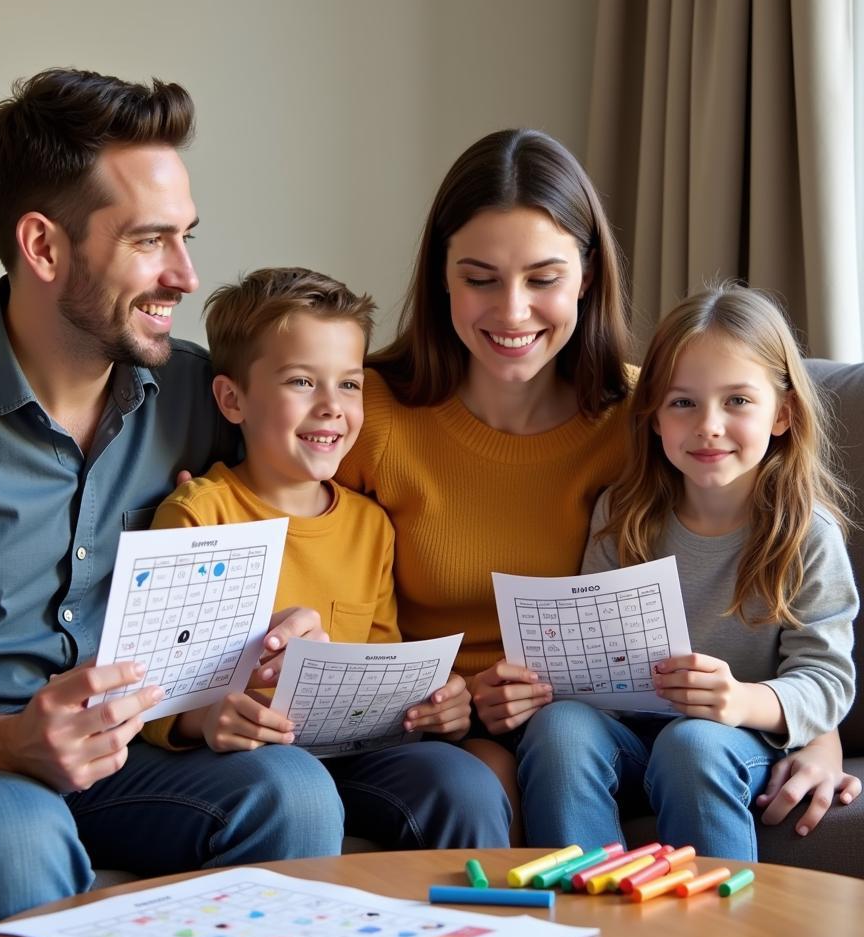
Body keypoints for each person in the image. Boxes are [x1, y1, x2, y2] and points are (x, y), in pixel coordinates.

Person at [0, 69, 345, 937]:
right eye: (151, 241)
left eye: (186, 238)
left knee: (293, 792)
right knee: (16, 829)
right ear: (42, 244)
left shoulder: (201, 393)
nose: (186, 278)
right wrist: (6, 746)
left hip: (131, 758)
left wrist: (283, 633)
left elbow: (320, 464)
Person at [335, 127, 861, 843]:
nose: (513, 312)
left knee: (618, 741)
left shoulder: (648, 419)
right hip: (450, 724)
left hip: (598, 717)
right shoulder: (363, 415)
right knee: (501, 770)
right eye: (479, 277)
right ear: (441, 278)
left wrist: (812, 732)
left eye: (543, 279)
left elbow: (811, 658)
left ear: (586, 276)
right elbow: (284, 519)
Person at [144, 267, 511, 849]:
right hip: (247, 759)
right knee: (293, 783)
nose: (331, 407)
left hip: (353, 752)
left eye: (348, 384)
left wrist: (436, 706)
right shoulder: (196, 515)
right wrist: (204, 719)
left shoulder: (370, 526)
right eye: (300, 382)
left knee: (462, 780)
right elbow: (152, 691)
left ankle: (473, 934)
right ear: (232, 399)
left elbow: (387, 669)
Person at [516, 283, 858, 858]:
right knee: (560, 730)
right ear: (652, 419)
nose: (708, 425)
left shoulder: (807, 533)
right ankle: (582, 920)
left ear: (783, 414)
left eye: (738, 401)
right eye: (683, 402)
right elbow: (591, 656)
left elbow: (826, 680)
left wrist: (741, 702)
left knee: (692, 742)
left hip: (735, 736)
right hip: (629, 728)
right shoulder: (623, 514)